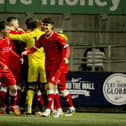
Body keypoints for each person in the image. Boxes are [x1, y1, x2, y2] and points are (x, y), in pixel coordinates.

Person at [21, 17, 70, 117]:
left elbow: (66, 47)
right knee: (53, 87)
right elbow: (35, 48)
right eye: (43, 25)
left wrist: (66, 57)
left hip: (57, 65)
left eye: (46, 25)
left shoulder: (57, 37)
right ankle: (59, 109)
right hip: (47, 65)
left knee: (51, 85)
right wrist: (27, 51)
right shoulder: (43, 38)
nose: (44, 26)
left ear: (51, 26)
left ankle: (48, 110)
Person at [9, 17, 47, 114]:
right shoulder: (43, 34)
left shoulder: (27, 35)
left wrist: (11, 30)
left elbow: (12, 37)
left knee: (31, 86)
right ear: (38, 26)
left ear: (27, 26)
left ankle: (29, 108)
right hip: (43, 65)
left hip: (32, 65)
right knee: (44, 87)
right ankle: (48, 108)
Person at [0, 20, 21, 116]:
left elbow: (10, 50)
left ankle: (12, 106)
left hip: (6, 69)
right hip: (1, 67)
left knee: (13, 88)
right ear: (1, 30)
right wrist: (1, 64)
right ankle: (2, 107)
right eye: (7, 29)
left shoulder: (8, 39)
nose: (9, 31)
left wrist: (18, 57)